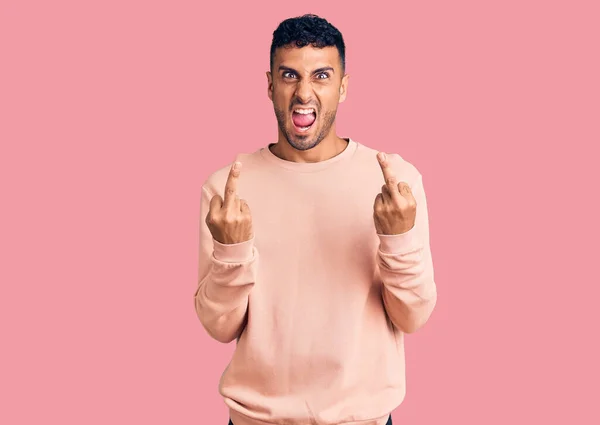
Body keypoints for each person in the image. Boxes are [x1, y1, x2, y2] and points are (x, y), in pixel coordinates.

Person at [194, 14, 437, 425]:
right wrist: (231, 251)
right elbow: (220, 327)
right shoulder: (227, 189)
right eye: (289, 75)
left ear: (343, 87)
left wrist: (397, 240)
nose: (303, 92)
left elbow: (412, 317)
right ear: (270, 84)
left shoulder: (396, 185)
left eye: (321, 75)